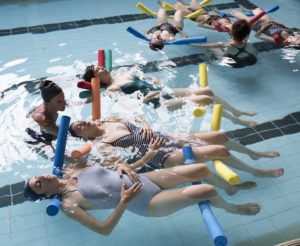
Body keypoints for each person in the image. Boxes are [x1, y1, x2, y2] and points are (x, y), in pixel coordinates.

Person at [24, 162, 262, 235]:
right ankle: (232, 208)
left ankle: (230, 189)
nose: (42, 179)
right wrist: (124, 201)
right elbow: (104, 230)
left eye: (38, 177)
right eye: (39, 185)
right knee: (205, 191)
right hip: (146, 202)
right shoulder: (68, 205)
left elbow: (107, 166)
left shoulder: (72, 169)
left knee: (199, 169)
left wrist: (120, 164)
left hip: (146, 178)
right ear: (44, 194)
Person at [68, 115, 283, 179]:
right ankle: (257, 172)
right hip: (161, 155)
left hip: (167, 136)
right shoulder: (103, 146)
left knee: (219, 135)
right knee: (220, 150)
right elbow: (128, 168)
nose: (83, 123)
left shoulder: (108, 120)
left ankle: (254, 154)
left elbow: (138, 117)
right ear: (81, 136)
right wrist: (152, 151)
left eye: (81, 120)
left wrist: (147, 126)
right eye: (79, 127)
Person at [82, 65, 258, 128]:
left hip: (165, 91)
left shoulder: (120, 73)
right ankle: (237, 121)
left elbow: (143, 79)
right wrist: (145, 98)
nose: (102, 68)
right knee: (206, 100)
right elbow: (128, 106)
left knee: (208, 92)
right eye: (97, 70)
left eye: (100, 67)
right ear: (96, 79)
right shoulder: (112, 89)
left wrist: (153, 78)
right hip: (160, 103)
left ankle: (236, 112)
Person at [190, 19, 257, 68]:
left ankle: (207, 60)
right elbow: (244, 28)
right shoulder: (246, 39)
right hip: (251, 60)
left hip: (235, 64)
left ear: (231, 32)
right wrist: (227, 24)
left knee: (209, 47)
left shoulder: (224, 45)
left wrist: (187, 43)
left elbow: (200, 46)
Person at [229, 5, 300, 48]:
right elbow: (283, 26)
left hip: (257, 25)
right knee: (257, 9)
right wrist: (274, 21)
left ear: (294, 44)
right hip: (268, 20)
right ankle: (248, 10)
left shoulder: (279, 40)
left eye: (298, 41)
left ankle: (229, 14)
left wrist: (263, 27)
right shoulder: (292, 33)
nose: (298, 38)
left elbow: (257, 36)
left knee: (234, 12)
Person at [163, 0, 234, 32]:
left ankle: (180, 4)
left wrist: (205, 20)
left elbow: (199, 25)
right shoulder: (232, 22)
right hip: (206, 14)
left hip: (196, 17)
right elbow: (223, 15)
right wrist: (216, 14)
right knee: (193, 1)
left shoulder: (217, 28)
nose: (226, 23)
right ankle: (184, 5)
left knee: (179, 6)